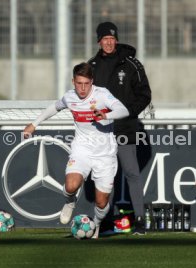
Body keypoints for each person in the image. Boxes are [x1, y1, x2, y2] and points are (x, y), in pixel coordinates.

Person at [23, 62, 129, 239]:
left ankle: (96, 223)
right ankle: (70, 202)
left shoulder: (102, 95)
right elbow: (54, 107)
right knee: (71, 185)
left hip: (105, 154)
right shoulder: (70, 97)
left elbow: (123, 110)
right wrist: (34, 124)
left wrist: (106, 115)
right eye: (79, 83)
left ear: (92, 82)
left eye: (86, 83)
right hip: (82, 149)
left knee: (102, 202)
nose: (83, 88)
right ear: (73, 81)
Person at [88, 22, 152, 235]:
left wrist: (128, 112)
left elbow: (144, 94)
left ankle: (140, 222)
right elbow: (86, 97)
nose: (108, 42)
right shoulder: (92, 66)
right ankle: (105, 222)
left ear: (116, 40)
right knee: (105, 176)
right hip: (101, 132)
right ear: (99, 41)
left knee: (132, 173)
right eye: (105, 38)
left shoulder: (132, 64)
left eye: (112, 38)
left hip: (125, 130)